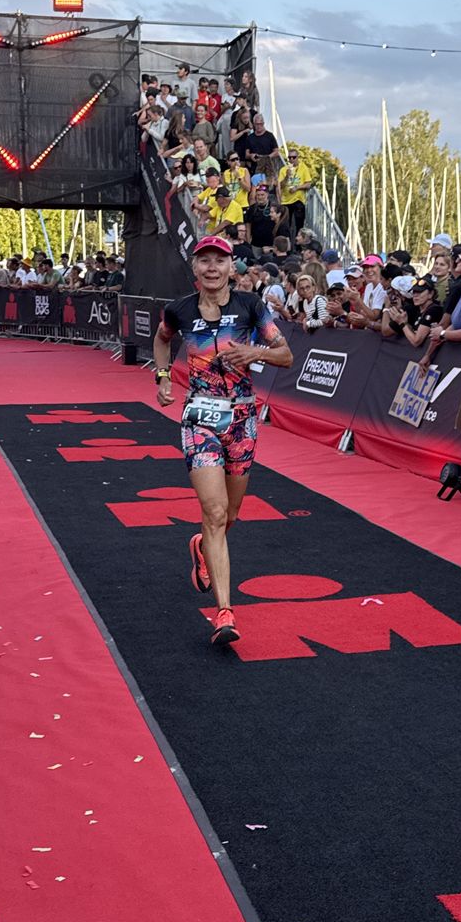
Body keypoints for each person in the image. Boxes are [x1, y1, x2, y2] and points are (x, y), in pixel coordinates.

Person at [151, 236, 293, 647]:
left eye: (220, 261)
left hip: (243, 419)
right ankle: (225, 612)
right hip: (199, 417)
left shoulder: (251, 306)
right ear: (195, 269)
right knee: (213, 512)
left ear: (232, 268)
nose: (212, 268)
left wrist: (254, 353)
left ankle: (201, 548)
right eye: (204, 261)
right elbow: (162, 339)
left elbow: (286, 355)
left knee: (229, 515)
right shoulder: (178, 310)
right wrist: (163, 377)